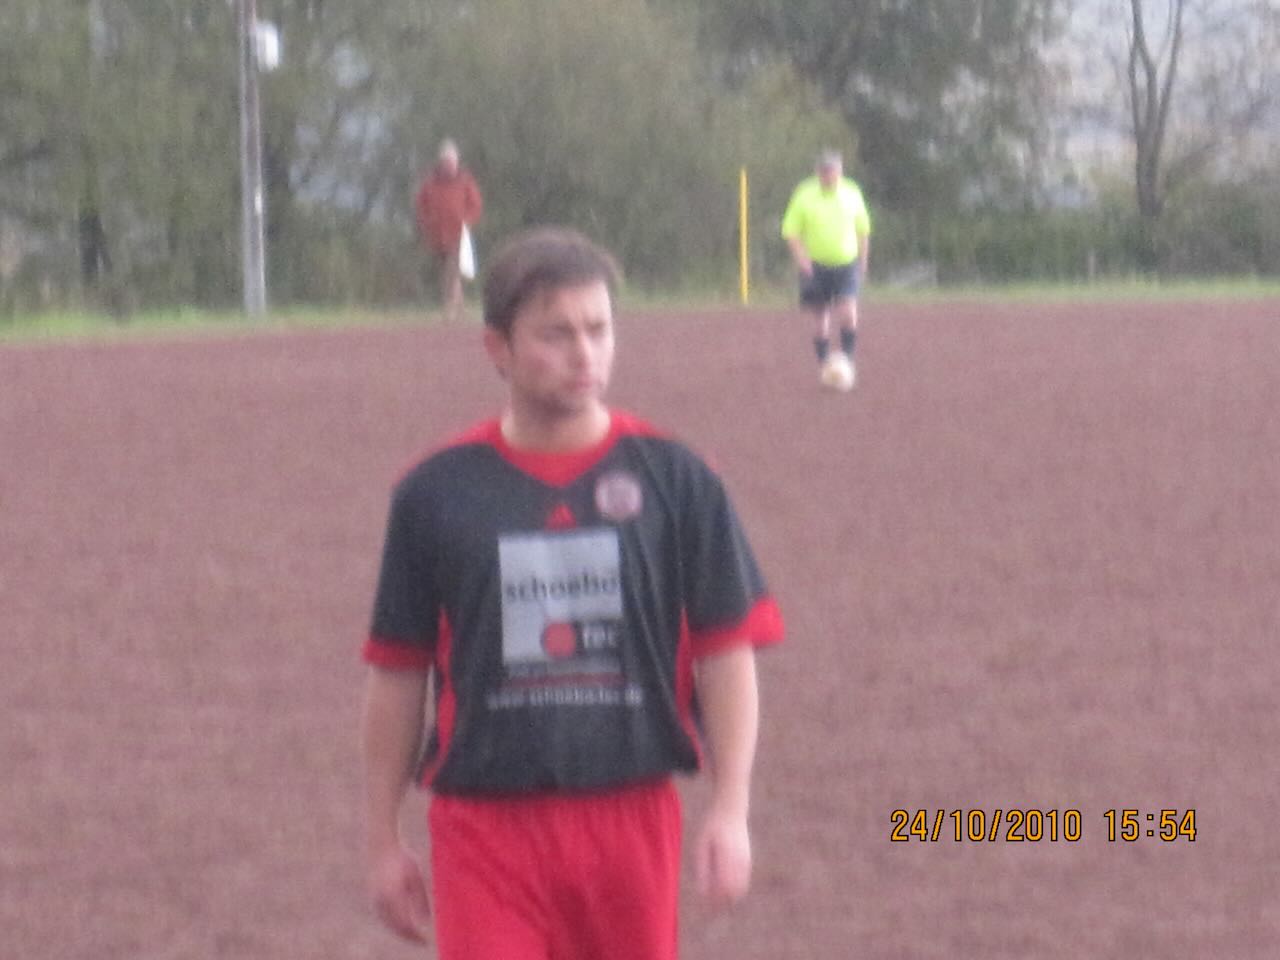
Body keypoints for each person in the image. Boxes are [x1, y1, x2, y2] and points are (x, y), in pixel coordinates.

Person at [360, 226, 784, 960]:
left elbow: (725, 653)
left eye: (598, 329)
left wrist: (731, 807)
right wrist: (381, 838)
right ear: (497, 348)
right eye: (556, 334)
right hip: (483, 830)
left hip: (631, 823)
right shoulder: (434, 493)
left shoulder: (679, 480)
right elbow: (397, 673)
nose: (585, 354)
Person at [780, 149, 872, 387]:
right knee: (821, 319)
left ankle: (847, 362)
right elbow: (791, 231)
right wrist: (801, 258)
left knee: (848, 312)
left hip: (847, 263)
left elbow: (863, 229)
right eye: (823, 171)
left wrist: (863, 260)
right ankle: (825, 367)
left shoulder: (852, 192)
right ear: (817, 172)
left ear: (840, 171)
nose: (828, 175)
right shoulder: (804, 194)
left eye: (832, 171)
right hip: (815, 266)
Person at [414, 138, 483, 322]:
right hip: (438, 234)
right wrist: (427, 223)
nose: (449, 166)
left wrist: (467, 221)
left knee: (451, 271)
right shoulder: (430, 183)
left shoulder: (465, 181)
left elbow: (475, 204)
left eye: (452, 162)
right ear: (441, 163)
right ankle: (460, 309)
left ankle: (449, 309)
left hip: (459, 233)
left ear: (457, 162)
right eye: (446, 162)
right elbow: (421, 205)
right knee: (447, 269)